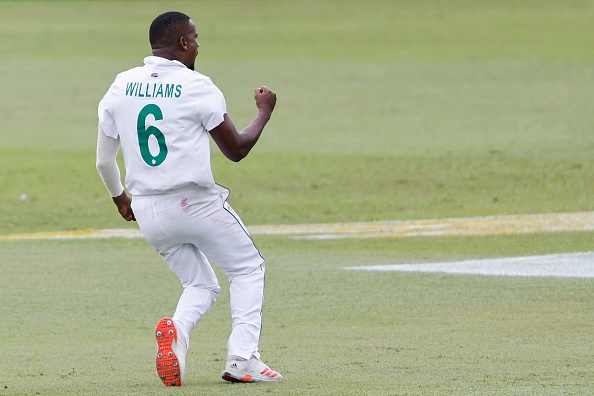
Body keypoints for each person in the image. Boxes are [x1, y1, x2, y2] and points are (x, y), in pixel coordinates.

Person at [95, 11, 282, 386]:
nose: (198, 45)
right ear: (183, 43)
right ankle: (243, 358)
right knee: (247, 268)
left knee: (200, 284)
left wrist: (120, 199)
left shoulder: (120, 84)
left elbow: (103, 160)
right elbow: (237, 150)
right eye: (195, 38)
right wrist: (264, 111)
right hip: (194, 204)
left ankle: (176, 332)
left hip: (147, 209)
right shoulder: (197, 86)